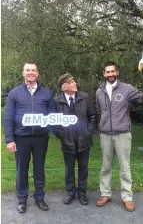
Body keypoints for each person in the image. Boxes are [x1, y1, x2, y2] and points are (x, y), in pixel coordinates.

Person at [95, 61, 143, 212]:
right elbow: (98, 112)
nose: (110, 74)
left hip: (122, 134)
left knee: (124, 167)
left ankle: (127, 197)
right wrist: (100, 128)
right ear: (104, 74)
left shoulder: (126, 89)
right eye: (107, 72)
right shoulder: (99, 91)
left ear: (117, 72)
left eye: (112, 71)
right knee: (106, 166)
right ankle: (105, 194)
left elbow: (141, 98)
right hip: (105, 134)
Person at [4, 62, 56, 213]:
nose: (30, 72)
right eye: (27, 70)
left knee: (39, 168)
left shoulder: (46, 93)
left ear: (38, 73)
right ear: (23, 73)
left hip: (41, 138)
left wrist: (51, 126)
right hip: (21, 138)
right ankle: (22, 199)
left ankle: (39, 197)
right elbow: (8, 117)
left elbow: (52, 114)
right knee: (22, 169)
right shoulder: (14, 93)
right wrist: (9, 139)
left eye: (33, 70)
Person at [54, 73, 96, 205]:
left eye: (74, 81)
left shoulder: (85, 97)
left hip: (84, 141)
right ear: (64, 86)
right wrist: (60, 135)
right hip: (67, 141)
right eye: (72, 82)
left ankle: (82, 193)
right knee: (69, 169)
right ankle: (70, 192)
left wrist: (88, 132)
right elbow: (53, 121)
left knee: (83, 167)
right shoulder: (57, 101)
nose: (75, 84)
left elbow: (93, 116)